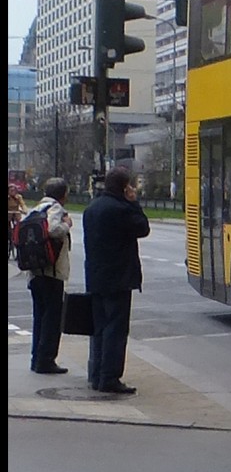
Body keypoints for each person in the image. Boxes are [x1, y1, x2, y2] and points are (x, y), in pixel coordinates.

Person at [83, 166, 151, 395]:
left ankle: (96, 374)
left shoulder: (92, 208)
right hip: (119, 277)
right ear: (124, 187)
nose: (132, 189)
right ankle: (109, 377)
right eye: (130, 186)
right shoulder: (121, 209)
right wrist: (134, 202)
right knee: (116, 328)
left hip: (96, 276)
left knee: (100, 328)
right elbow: (143, 228)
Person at [25, 177, 73, 374]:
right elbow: (54, 230)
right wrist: (67, 225)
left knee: (40, 317)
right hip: (51, 273)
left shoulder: (36, 209)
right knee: (52, 318)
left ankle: (37, 358)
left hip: (35, 272)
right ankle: (46, 361)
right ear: (63, 195)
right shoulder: (55, 210)